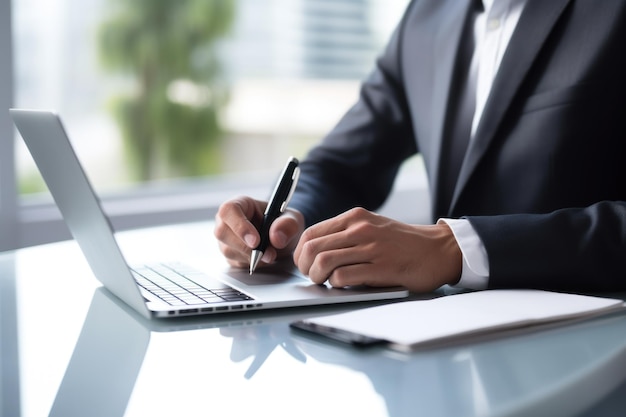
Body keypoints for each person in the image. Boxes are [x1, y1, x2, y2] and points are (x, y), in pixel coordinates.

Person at [214, 0, 626, 294]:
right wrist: (288, 221)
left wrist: (454, 247)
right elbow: (341, 163)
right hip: (439, 345)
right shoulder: (426, 16)